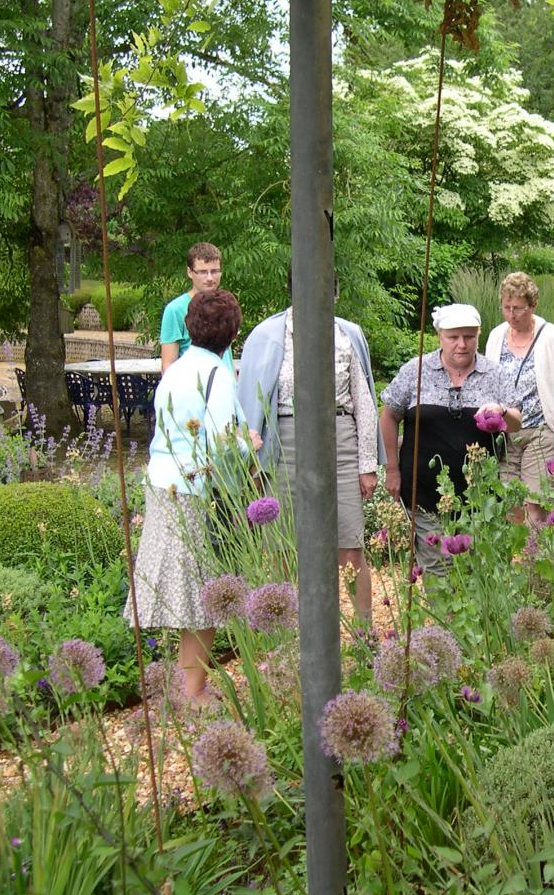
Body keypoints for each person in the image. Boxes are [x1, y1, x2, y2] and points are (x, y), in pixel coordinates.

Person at [131, 289, 261, 704]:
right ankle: (195, 691)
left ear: (190, 328)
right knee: (206, 593)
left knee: (187, 590)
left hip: (163, 482)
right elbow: (223, 443)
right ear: (233, 333)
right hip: (198, 492)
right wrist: (250, 444)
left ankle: (187, 684)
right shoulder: (216, 375)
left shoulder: (176, 370)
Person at [237, 303, 381, 621]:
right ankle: (283, 639)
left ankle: (364, 634)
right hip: (284, 439)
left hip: (340, 437)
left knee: (350, 545)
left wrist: (367, 464)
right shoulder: (266, 335)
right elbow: (250, 399)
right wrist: (254, 462)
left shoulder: (348, 334)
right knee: (282, 546)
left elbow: (364, 401)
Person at [380, 304, 520, 575]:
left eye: (469, 336)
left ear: (478, 335)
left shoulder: (494, 373)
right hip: (425, 493)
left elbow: (516, 421)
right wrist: (392, 469)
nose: (461, 344)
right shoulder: (416, 370)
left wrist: (501, 411)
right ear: (439, 336)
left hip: (480, 496)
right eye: (453, 337)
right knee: (438, 572)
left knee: (478, 572)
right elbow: (388, 416)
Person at [484, 272, 554, 524]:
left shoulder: (551, 336)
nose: (511, 314)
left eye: (518, 308)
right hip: (506, 433)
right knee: (511, 501)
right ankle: (516, 558)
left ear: (532, 305)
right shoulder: (496, 336)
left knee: (535, 504)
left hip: (541, 429)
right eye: (506, 307)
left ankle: (535, 558)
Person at [160, 242, 235, 375]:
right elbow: (168, 365)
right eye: (202, 272)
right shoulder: (175, 310)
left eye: (215, 271)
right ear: (190, 272)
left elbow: (228, 358)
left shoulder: (225, 304)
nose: (210, 278)